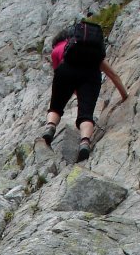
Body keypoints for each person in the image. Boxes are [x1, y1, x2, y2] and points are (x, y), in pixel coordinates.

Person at [41, 26, 128, 161]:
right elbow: (113, 75)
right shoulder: (93, 54)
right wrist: (124, 96)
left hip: (65, 71)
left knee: (56, 107)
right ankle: (85, 142)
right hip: (91, 76)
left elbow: (58, 73)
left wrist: (72, 90)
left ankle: (50, 127)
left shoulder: (58, 49)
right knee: (85, 114)